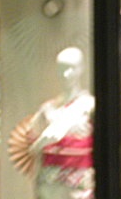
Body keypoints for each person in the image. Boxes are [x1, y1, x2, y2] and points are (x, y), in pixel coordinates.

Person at [27, 47, 95, 199]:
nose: (66, 74)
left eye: (72, 68)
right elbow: (34, 150)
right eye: (62, 68)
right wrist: (40, 144)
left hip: (81, 181)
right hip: (49, 182)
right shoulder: (47, 110)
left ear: (81, 68)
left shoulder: (90, 106)